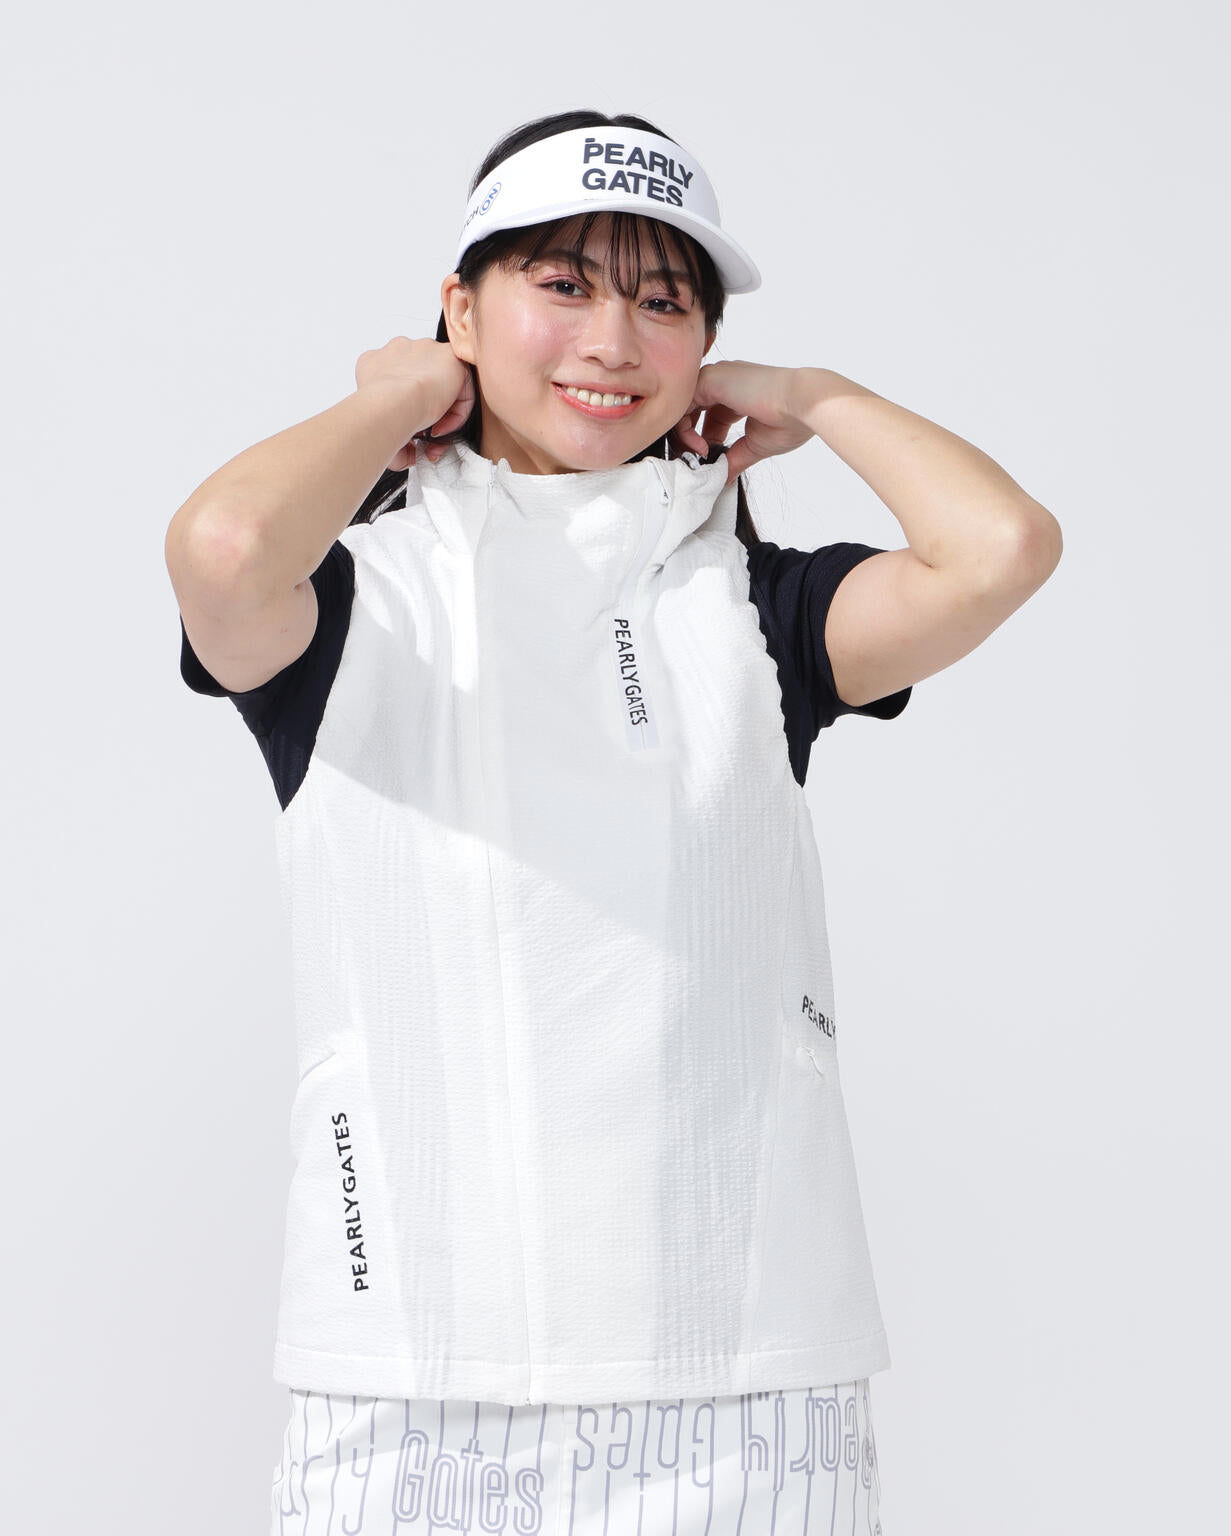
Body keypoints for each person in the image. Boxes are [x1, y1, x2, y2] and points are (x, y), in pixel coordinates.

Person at [166, 109, 1061, 1536]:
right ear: (464, 305)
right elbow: (220, 551)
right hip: (410, 1380)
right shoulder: (352, 604)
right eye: (562, 284)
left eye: (665, 303)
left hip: (748, 1391)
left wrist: (814, 395)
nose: (614, 339)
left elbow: (1000, 549)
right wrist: (398, 397)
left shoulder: (759, 614)